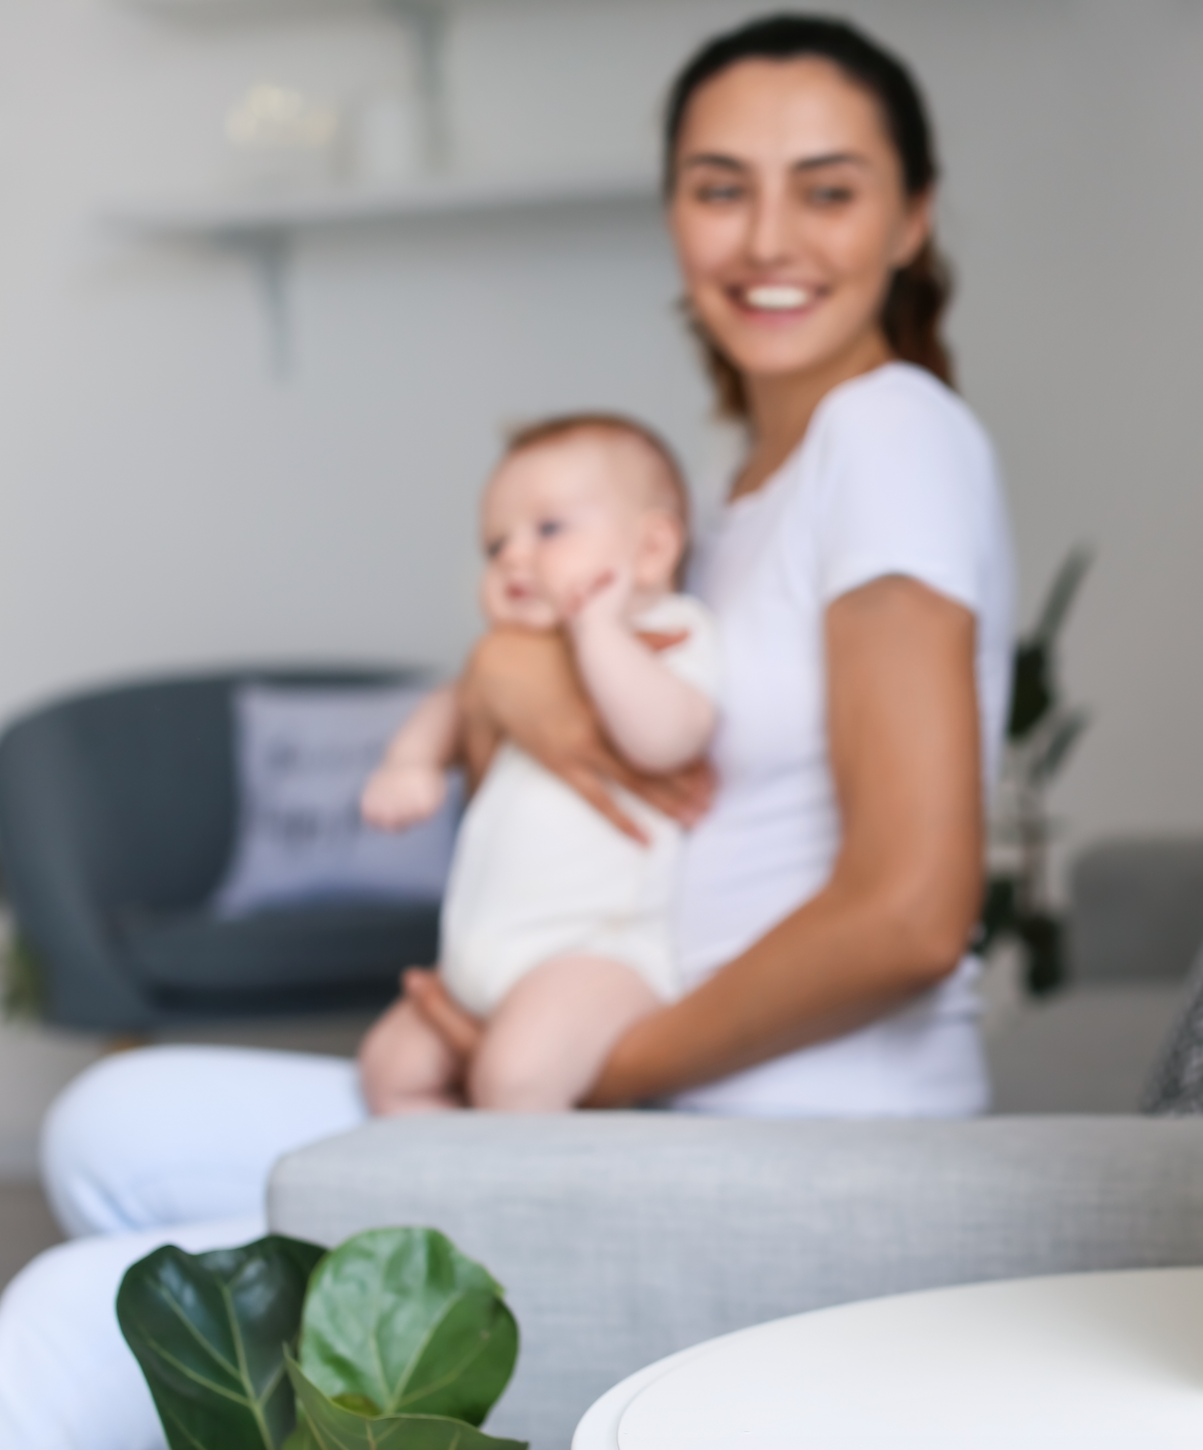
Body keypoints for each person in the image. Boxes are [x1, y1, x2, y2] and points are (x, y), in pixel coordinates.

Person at [0, 15, 1013, 1445]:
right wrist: (500, 668)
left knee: (56, 1320)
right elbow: (622, 715)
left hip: (793, 1127)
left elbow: (912, 915)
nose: (766, 237)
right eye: (721, 186)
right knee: (111, 1121)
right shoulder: (740, 493)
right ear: (672, 208)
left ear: (910, 217)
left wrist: (561, 1072)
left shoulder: (890, 431)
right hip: (656, 1088)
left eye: (828, 187)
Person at [358, 413, 720, 1115]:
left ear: (651, 550)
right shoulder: (509, 659)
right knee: (388, 1070)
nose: (514, 558)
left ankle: (522, 1220)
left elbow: (667, 740)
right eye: (496, 544)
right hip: (479, 961)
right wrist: (410, 762)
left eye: (549, 530)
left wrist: (598, 635)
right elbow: (453, 705)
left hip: (597, 956)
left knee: (517, 1080)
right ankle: (446, 1211)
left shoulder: (668, 634)